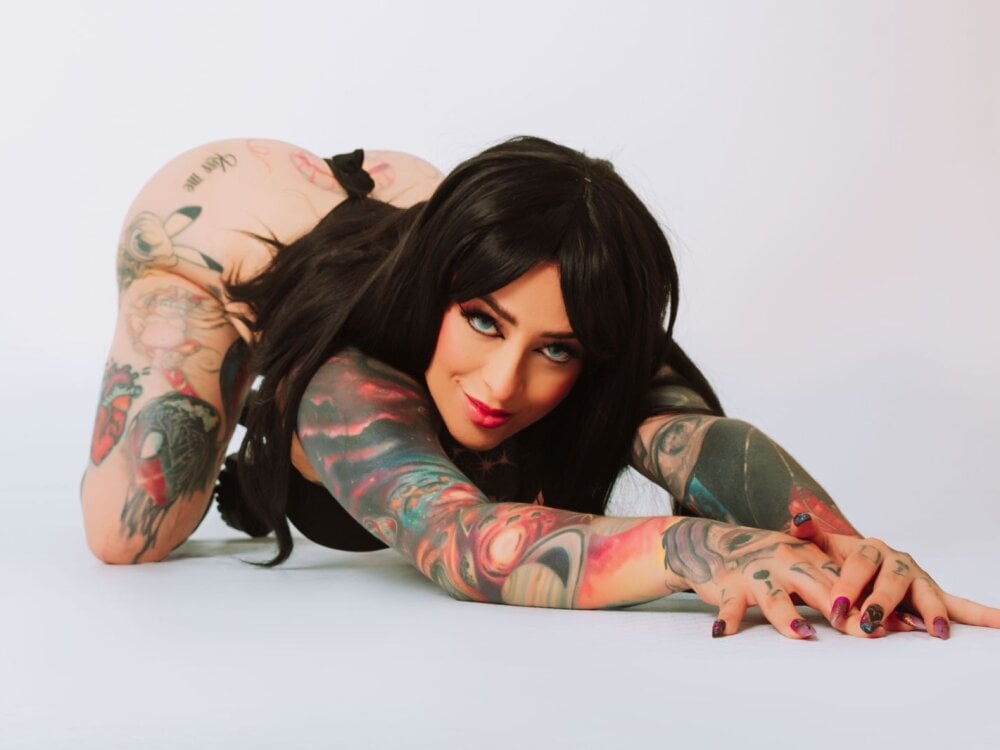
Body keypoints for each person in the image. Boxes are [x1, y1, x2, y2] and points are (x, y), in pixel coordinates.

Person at [81, 136, 1000, 641]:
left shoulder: (584, 332)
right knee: (132, 534)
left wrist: (848, 552)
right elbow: (461, 541)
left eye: (554, 349)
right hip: (221, 234)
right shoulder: (348, 384)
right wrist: (700, 549)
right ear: (441, 295)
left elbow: (702, 442)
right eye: (483, 322)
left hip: (403, 200)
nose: (502, 383)